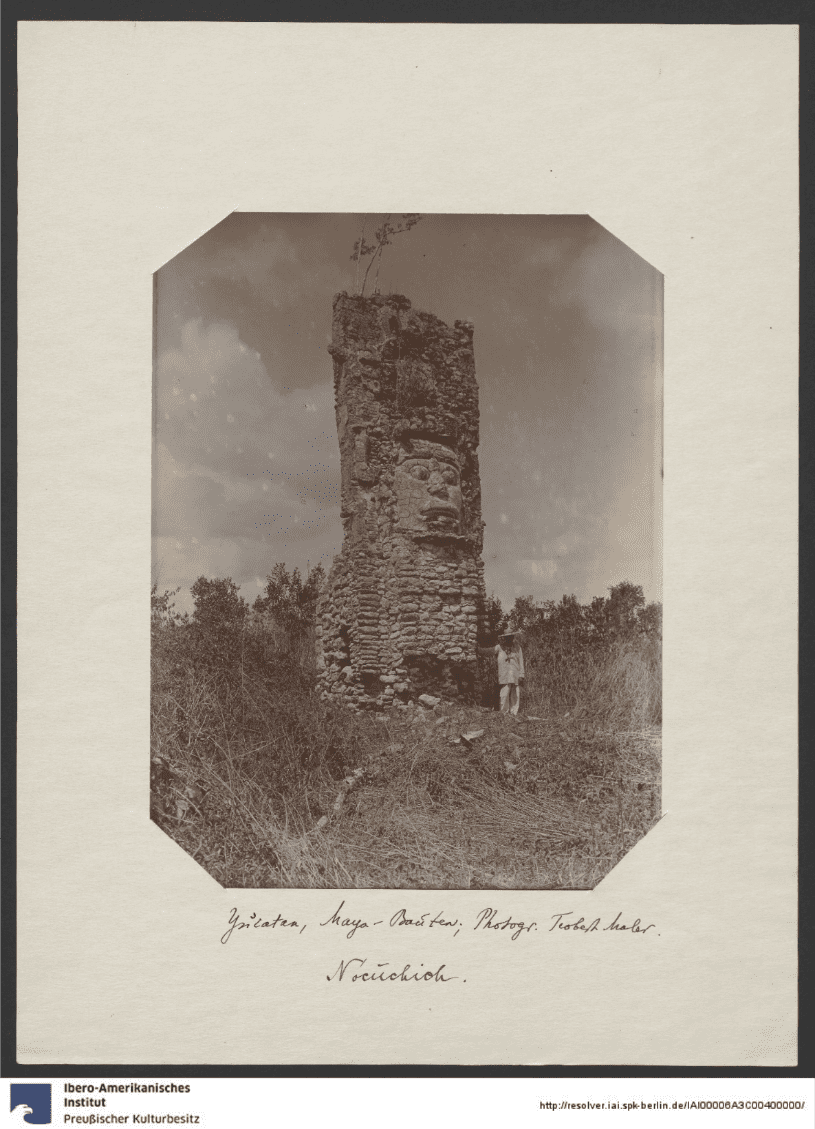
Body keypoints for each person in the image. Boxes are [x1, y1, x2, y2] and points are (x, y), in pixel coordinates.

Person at [495, 632, 524, 715]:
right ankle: (504, 711)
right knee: (505, 692)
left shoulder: (517, 648)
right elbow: (490, 651)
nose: (510, 638)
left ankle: (514, 711)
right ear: (504, 638)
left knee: (515, 693)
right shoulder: (500, 647)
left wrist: (521, 674)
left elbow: (521, 661)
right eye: (508, 637)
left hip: (515, 673)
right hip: (505, 673)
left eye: (511, 636)